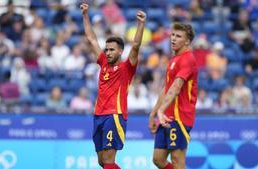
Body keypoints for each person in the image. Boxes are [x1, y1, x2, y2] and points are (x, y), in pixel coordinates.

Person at [80, 2, 146, 169]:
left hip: (114, 115)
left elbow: (136, 46)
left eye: (112, 50)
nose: (108, 52)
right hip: (98, 114)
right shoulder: (103, 63)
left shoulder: (126, 67)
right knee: (102, 161)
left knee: (109, 160)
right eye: (107, 49)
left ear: (120, 52)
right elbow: (91, 39)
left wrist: (140, 24)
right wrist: (85, 15)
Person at [149, 22, 197, 169]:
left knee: (177, 160)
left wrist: (161, 111)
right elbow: (166, 89)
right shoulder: (173, 60)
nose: (173, 39)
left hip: (180, 117)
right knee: (158, 159)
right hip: (166, 117)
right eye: (173, 35)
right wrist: (154, 113)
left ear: (187, 41)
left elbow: (176, 88)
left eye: (178, 36)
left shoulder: (188, 59)